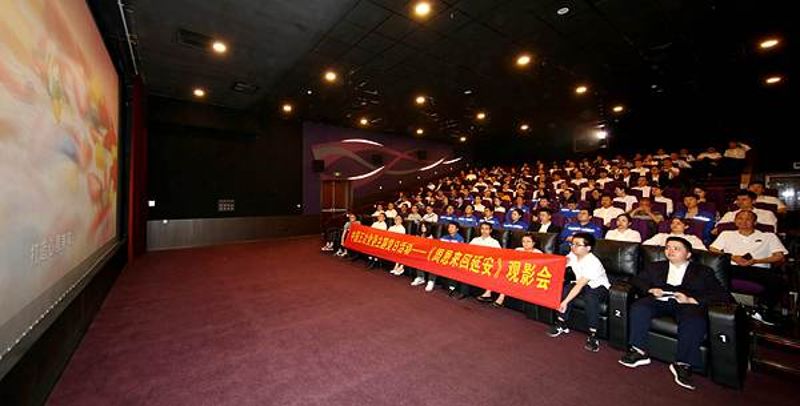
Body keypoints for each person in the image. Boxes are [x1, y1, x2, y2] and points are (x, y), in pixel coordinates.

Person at [619, 237, 733, 391]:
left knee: (694, 321)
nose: (670, 251)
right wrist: (650, 289)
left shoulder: (703, 271)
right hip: (660, 299)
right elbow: (637, 280)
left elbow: (722, 294)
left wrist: (692, 300)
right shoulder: (655, 266)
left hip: (686, 302)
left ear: (688, 254)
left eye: (676, 248)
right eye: (667, 247)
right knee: (639, 307)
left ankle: (682, 364)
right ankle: (639, 351)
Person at [709, 210, 788, 325]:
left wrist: (756, 261)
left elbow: (779, 256)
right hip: (732, 267)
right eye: (740, 218)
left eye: (748, 219)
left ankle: (763, 311)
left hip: (757, 268)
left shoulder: (768, 236)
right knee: (711, 273)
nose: (743, 221)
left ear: (755, 222)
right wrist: (732, 257)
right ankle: (721, 309)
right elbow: (713, 249)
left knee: (778, 280)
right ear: (735, 221)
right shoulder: (726, 234)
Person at [547, 233, 610, 353]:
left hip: (597, 286)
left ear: (588, 248)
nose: (573, 247)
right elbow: (563, 262)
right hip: (580, 282)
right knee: (565, 289)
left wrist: (565, 302)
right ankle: (561, 323)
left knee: (590, 298)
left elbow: (580, 285)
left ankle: (593, 334)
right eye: (572, 244)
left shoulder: (593, 262)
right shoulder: (573, 255)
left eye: (577, 244)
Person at [440, 222, 467, 298]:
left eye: (452, 227)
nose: (450, 229)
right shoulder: (444, 237)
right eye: (449, 227)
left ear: (457, 229)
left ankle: (452, 287)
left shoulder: (460, 239)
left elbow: (461, 251)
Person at [410, 223, 438, 292]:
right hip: (421, 253)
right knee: (418, 258)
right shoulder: (419, 234)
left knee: (433, 262)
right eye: (422, 226)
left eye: (424, 226)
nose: (422, 228)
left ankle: (431, 281)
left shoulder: (431, 236)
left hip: (429, 254)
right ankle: (420, 277)